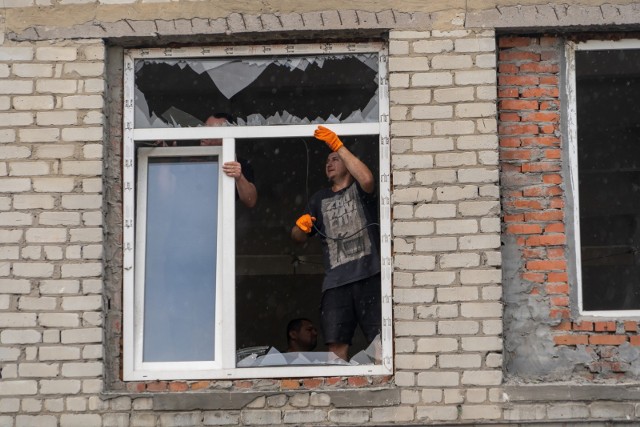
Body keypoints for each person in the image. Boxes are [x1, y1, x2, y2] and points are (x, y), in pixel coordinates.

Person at [291, 126, 381, 361]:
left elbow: (369, 179)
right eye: (327, 161)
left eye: (335, 159)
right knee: (336, 347)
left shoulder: (359, 190)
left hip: (370, 275)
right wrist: (301, 227)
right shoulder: (319, 198)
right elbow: (297, 238)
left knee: (380, 341)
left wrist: (338, 145)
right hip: (336, 283)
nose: (328, 164)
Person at [200, 114, 257, 208]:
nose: (204, 136)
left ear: (225, 137)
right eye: (204, 129)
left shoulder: (238, 164)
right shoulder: (191, 160)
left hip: (227, 220)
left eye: (211, 132)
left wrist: (239, 178)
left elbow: (251, 200)